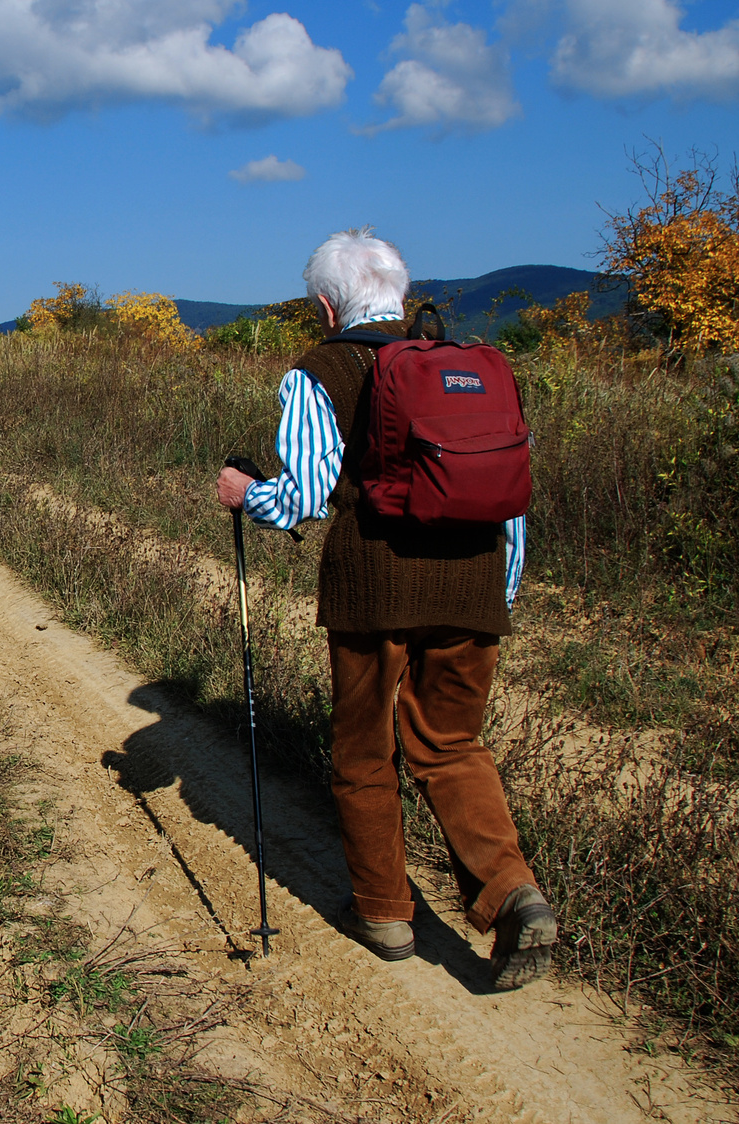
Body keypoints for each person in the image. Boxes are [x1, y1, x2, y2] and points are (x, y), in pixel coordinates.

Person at [215, 228, 557, 990]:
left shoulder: (321, 369)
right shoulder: (474, 368)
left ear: (328, 305)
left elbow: (302, 494)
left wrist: (248, 495)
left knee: (366, 747)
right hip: (474, 585)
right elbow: (509, 496)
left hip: (375, 587)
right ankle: (512, 895)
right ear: (399, 293)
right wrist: (499, 591)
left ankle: (384, 913)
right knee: (452, 745)